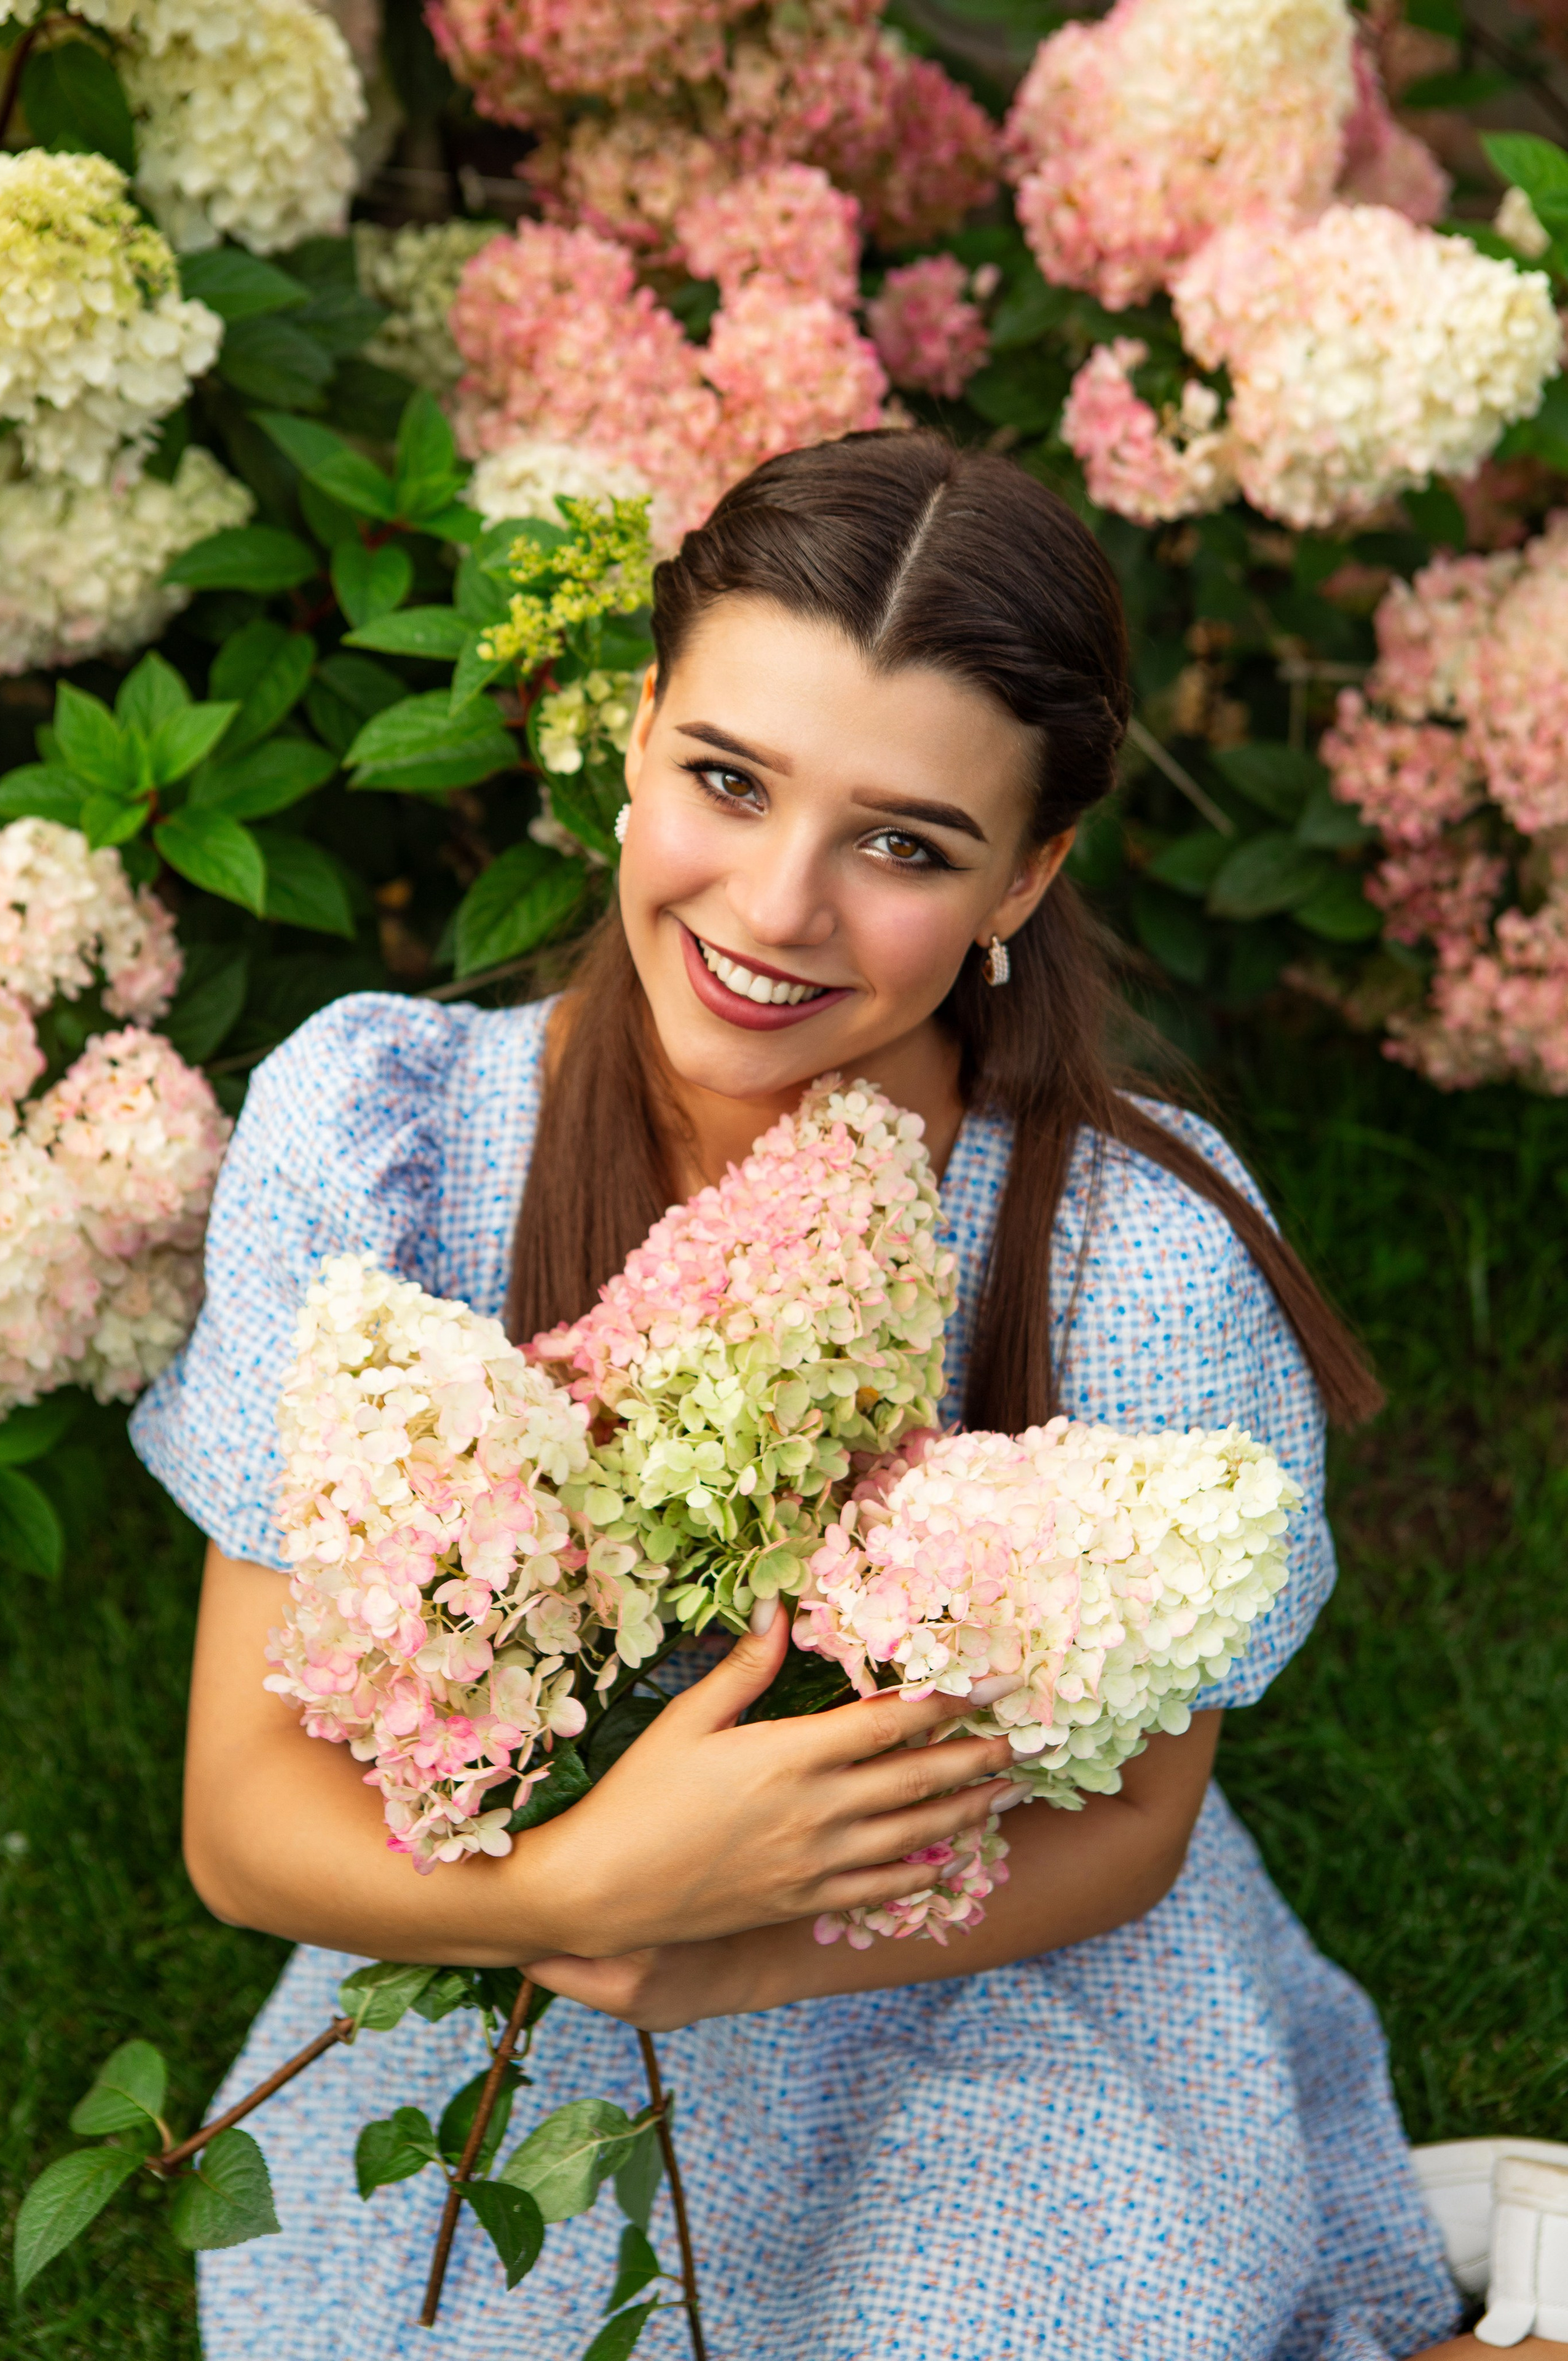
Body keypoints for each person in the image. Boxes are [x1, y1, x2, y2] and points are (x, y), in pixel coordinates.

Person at [132, 432, 1555, 2359]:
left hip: (977, 1976)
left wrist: (721, 1951)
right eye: (729, 780)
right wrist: (594, 1886)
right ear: (635, 740)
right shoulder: (388, 1139)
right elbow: (243, 1816)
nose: (780, 905)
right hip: (507, 1959)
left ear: (1025, 876)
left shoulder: (1123, 1254)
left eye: (904, 842)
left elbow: (1131, 1823)